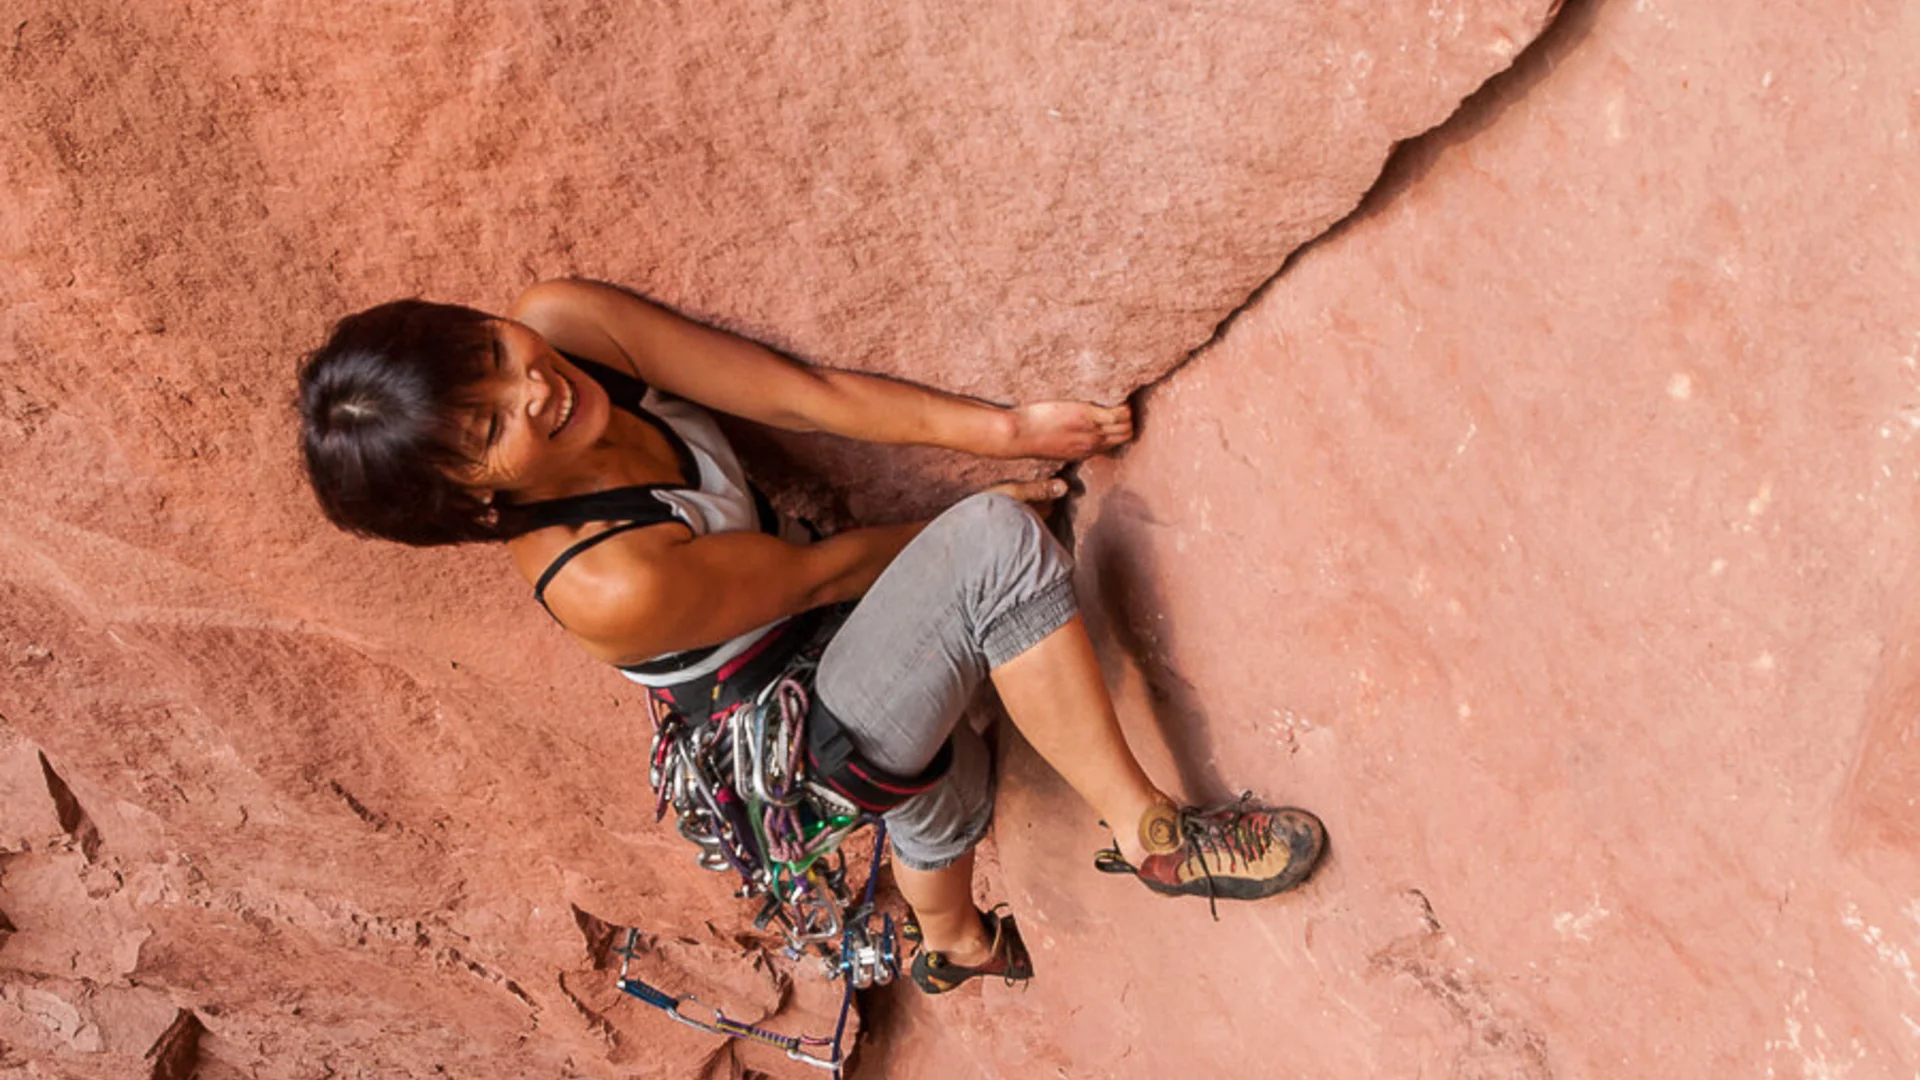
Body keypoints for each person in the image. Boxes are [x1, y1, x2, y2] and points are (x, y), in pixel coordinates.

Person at [296, 278, 1325, 994]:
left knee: (947, 785)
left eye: (488, 352)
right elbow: (829, 572)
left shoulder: (565, 326)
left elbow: (803, 395)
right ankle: (1158, 844)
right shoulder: (607, 579)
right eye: (487, 428)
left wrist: (1000, 430)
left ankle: (957, 946)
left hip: (817, 650)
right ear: (471, 501)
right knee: (993, 560)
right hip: (792, 734)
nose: (534, 389)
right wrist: (975, 527)